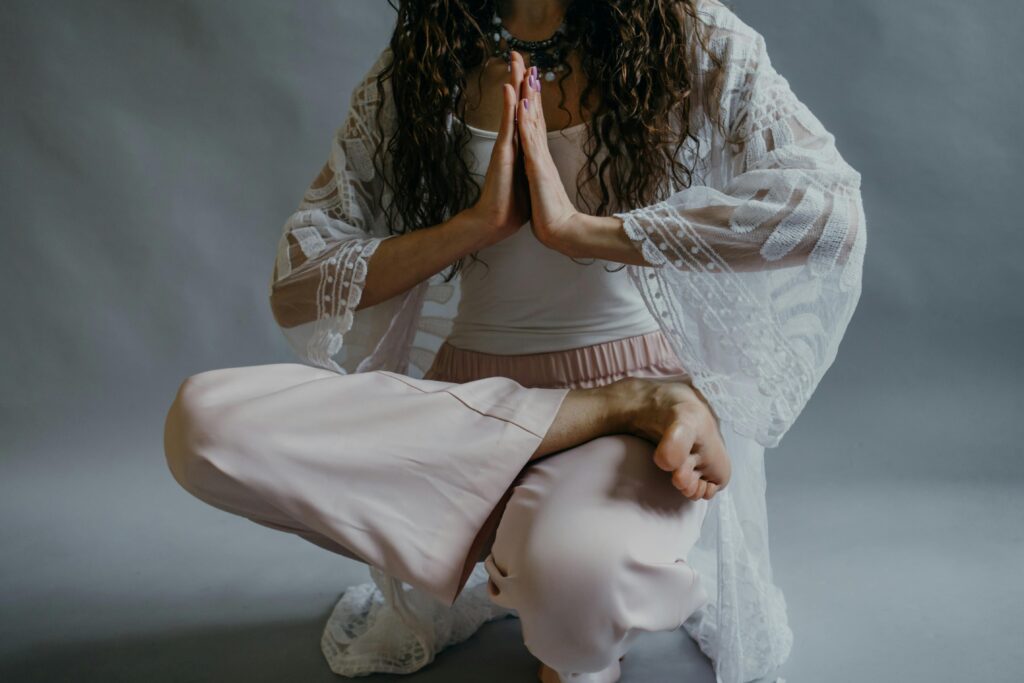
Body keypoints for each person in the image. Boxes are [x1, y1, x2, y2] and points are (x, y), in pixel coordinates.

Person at [162, 1, 865, 681]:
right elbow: (296, 282)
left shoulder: (688, 34)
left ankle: (570, 557)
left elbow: (828, 209)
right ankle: (620, 419)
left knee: (572, 580)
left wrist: (582, 232)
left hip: (626, 414)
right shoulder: (423, 59)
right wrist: (473, 226)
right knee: (207, 427)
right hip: (466, 411)